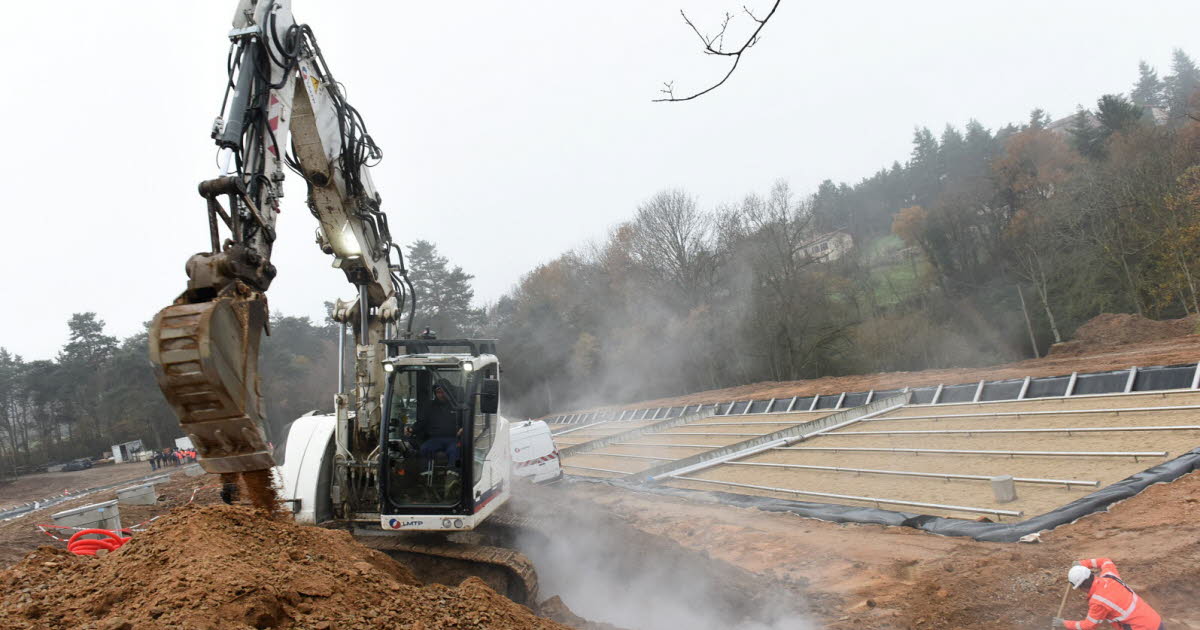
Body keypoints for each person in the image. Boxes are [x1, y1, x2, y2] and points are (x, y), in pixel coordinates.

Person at [1055, 557, 1163, 630]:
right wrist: (1084, 563)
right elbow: (1106, 561)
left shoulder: (1098, 602)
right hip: (1155, 621)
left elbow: (1089, 625)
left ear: (1080, 587)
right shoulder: (1110, 576)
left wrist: (1064, 624)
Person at [408, 382, 461, 467]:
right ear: (435, 393)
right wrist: (412, 429)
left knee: (455, 451)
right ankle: (425, 474)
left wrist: (463, 429)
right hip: (435, 439)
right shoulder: (430, 406)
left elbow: (464, 421)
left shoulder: (457, 406)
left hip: (453, 439)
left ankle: (452, 475)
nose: (441, 394)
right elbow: (422, 421)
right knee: (424, 448)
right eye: (438, 392)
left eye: (444, 392)